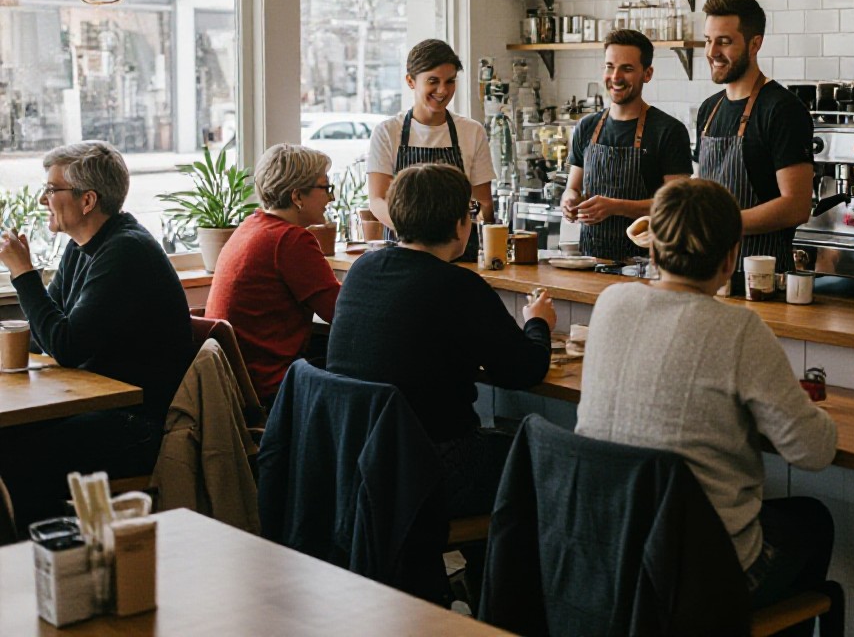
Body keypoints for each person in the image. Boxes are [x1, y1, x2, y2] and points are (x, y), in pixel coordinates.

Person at [576, 177, 837, 628]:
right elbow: (812, 452)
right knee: (812, 522)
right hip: (697, 576)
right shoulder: (739, 329)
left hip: (609, 558)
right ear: (731, 256)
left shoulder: (612, 302)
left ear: (653, 251)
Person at [327, 161, 554, 519]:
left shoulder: (362, 270)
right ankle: (498, 575)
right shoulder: (457, 286)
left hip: (355, 460)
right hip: (431, 469)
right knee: (540, 462)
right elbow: (524, 370)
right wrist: (538, 323)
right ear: (460, 224)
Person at [0, 141, 194, 530]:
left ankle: (48, 559)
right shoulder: (81, 248)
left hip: (134, 423)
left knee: (15, 454)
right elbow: (45, 337)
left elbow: (67, 348)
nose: (42, 200)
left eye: (52, 190)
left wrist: (23, 274)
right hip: (94, 406)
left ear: (87, 200)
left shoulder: (126, 252)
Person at [696, 0, 814, 293]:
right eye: (708, 40)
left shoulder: (782, 109)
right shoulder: (710, 109)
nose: (712, 52)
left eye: (724, 41)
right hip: (709, 276)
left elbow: (797, 206)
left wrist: (723, 225)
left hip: (764, 283)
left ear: (755, 43)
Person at [207, 143, 340, 405]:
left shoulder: (251, 226)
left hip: (237, 385)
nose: (331, 198)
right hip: (273, 390)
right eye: (325, 188)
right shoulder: (290, 240)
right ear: (297, 196)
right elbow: (342, 313)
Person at [561, 29, 692, 261]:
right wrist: (569, 200)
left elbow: (677, 205)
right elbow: (573, 187)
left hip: (649, 264)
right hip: (591, 261)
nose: (616, 76)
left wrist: (615, 207)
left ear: (647, 73)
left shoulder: (668, 130)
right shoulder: (586, 127)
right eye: (610, 66)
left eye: (627, 68)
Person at [366, 38, 494, 262]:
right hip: (402, 255)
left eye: (450, 81)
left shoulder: (472, 132)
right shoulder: (388, 132)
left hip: (459, 259)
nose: (442, 90)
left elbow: (483, 203)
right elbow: (377, 200)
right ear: (410, 81)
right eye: (433, 81)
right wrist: (418, 238)